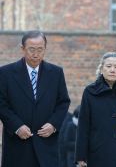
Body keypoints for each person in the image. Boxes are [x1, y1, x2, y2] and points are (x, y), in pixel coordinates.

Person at [0, 30, 71, 167]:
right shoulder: (5, 73)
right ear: (22, 49)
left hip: (47, 143)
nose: (36, 54)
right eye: (31, 49)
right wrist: (16, 126)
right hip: (17, 143)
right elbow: (1, 103)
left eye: (40, 49)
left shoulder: (56, 73)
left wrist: (53, 125)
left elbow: (63, 102)